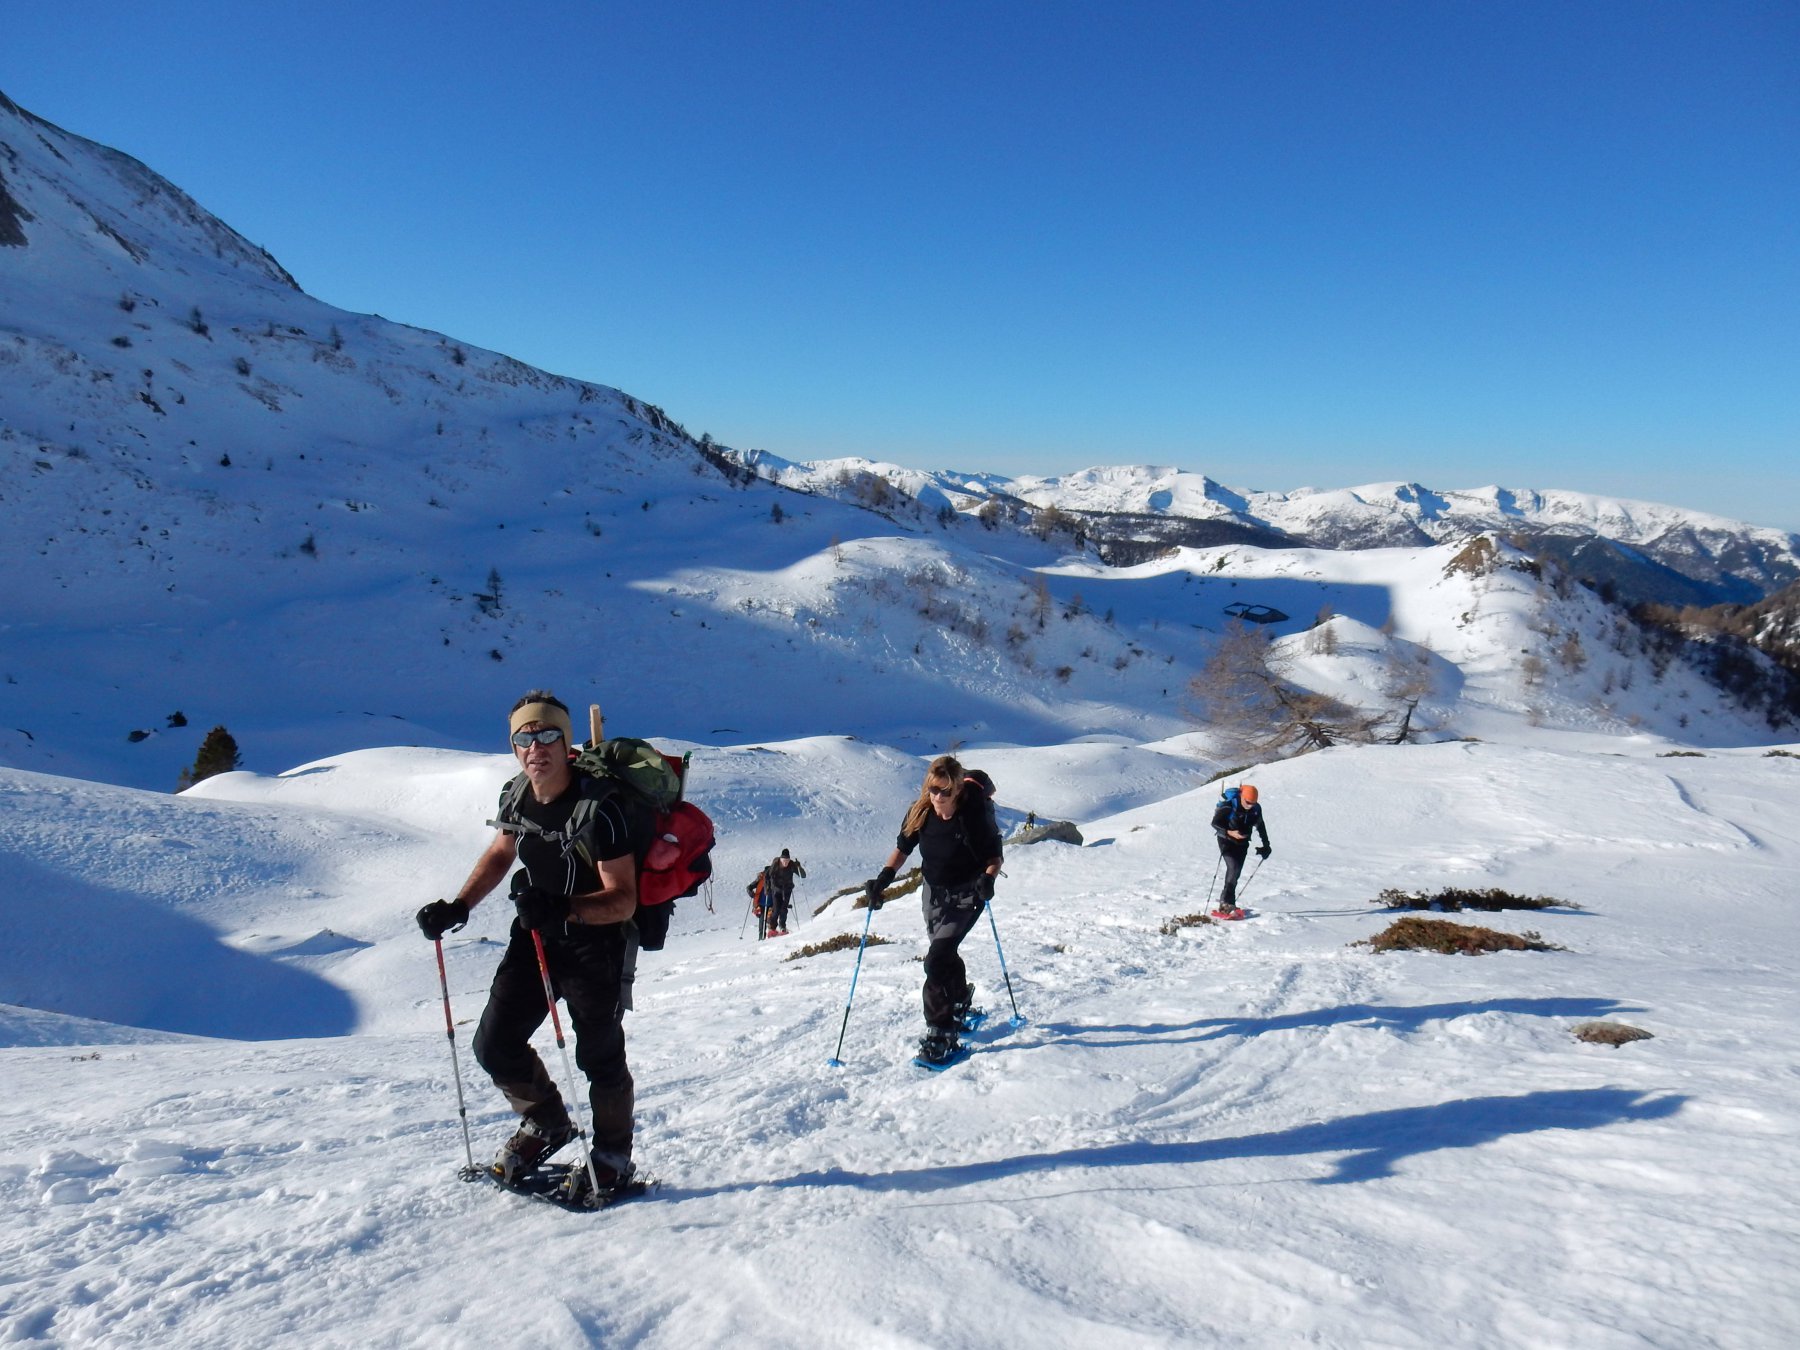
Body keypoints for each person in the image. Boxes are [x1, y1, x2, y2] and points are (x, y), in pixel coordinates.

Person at [416, 690, 642, 1197]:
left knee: (600, 1057)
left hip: (596, 945)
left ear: (566, 743)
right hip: (536, 937)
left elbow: (624, 899)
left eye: (547, 735)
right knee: (494, 1043)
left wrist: (565, 908)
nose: (535, 747)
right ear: (514, 746)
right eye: (525, 737)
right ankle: (547, 1122)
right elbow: (501, 852)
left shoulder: (601, 809)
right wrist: (459, 906)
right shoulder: (517, 794)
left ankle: (613, 1155)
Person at [864, 755, 1003, 1064]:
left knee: (936, 960)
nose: (938, 797)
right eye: (933, 789)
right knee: (944, 954)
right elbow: (902, 849)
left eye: (945, 791)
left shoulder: (973, 816)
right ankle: (960, 1000)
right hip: (933, 895)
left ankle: (941, 1034)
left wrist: (988, 879)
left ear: (958, 790)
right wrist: (884, 878)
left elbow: (994, 857)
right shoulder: (921, 812)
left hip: (967, 895)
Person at [1210, 783, 1271, 916]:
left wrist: (1266, 844)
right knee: (1233, 866)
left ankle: (1228, 903)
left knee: (1236, 872)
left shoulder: (1256, 808)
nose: (1250, 805)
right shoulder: (1229, 806)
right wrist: (1230, 832)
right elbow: (1215, 823)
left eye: (1253, 803)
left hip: (1243, 842)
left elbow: (1260, 825)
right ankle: (1226, 903)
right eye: (1248, 802)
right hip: (1226, 840)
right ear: (1242, 797)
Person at [763, 849, 806, 936]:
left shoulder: (792, 865)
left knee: (784, 909)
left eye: (787, 860)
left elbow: (803, 875)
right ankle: (772, 927)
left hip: (787, 890)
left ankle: (782, 927)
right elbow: (767, 876)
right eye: (784, 861)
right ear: (781, 859)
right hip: (776, 890)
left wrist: (799, 867)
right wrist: (767, 888)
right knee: (776, 909)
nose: (785, 863)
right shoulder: (775, 864)